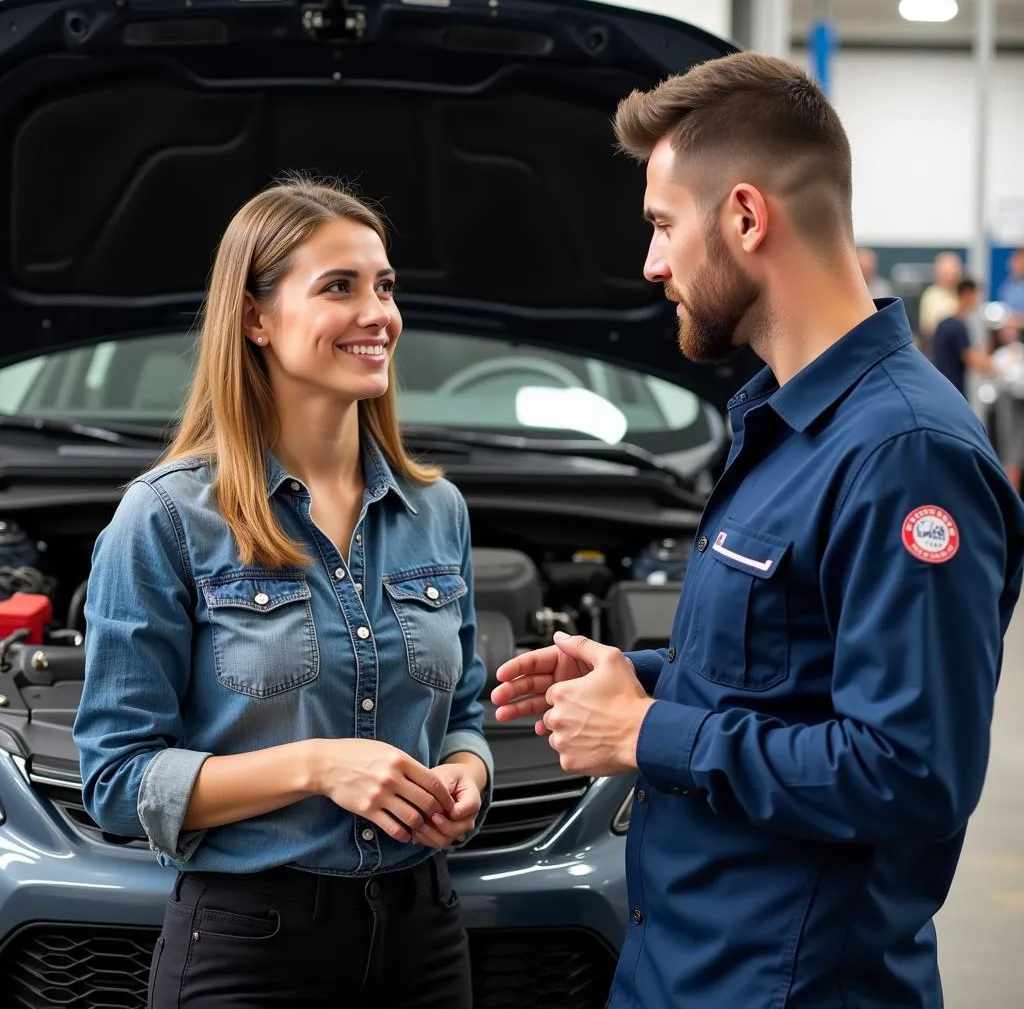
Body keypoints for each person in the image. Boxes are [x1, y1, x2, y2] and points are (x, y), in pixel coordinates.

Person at [491, 52, 1024, 1009]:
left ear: (745, 216)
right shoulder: (784, 425)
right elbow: (790, 673)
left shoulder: (905, 456)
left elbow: (908, 774)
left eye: (662, 225)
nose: (651, 263)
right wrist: (635, 682)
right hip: (681, 968)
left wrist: (651, 732)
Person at [72, 175, 493, 1008]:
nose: (378, 314)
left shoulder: (437, 511)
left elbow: (468, 713)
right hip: (248, 944)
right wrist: (317, 767)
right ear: (256, 318)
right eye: (340, 287)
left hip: (426, 937)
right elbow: (117, 781)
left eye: (385, 286)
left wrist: (467, 776)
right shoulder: (163, 518)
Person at [931, 277, 993, 398]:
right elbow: (970, 357)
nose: (977, 299)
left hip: (940, 389)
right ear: (967, 295)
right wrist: (999, 366)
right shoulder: (958, 327)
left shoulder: (944, 323)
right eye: (976, 295)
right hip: (952, 392)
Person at [918, 250, 963, 345]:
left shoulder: (960, 294)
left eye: (954, 272)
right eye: (946, 273)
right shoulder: (931, 295)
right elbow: (930, 327)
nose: (950, 277)